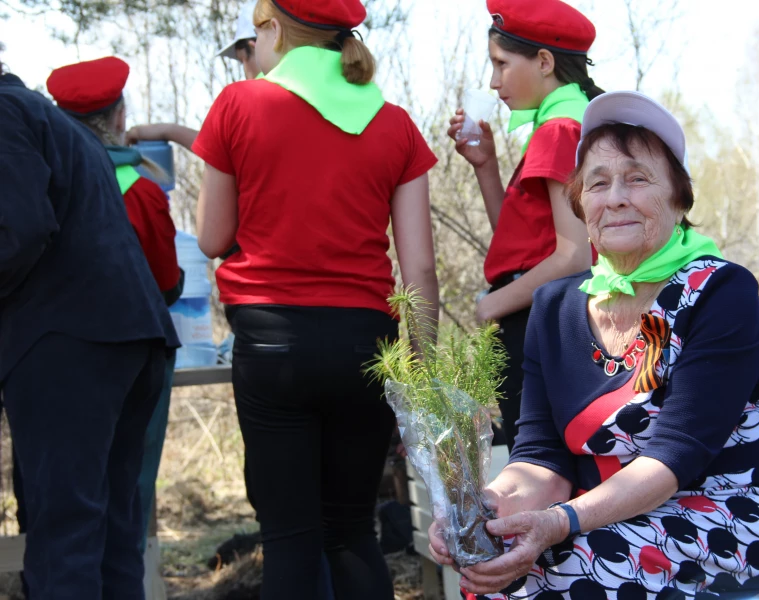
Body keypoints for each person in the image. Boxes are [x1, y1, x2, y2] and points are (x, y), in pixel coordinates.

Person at [428, 91, 759, 598]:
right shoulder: (554, 305)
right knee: (499, 562)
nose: (616, 197)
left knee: (567, 569)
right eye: (598, 183)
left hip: (729, 509)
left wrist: (559, 522)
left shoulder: (721, 292)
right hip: (600, 513)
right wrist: (484, 510)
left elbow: (676, 455)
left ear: (679, 197)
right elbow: (541, 456)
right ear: (580, 204)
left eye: (638, 178)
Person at [191, 0, 440, 597]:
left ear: (274, 29)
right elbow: (420, 268)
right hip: (366, 347)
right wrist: (423, 372)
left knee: (289, 538)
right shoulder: (395, 122)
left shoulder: (238, 105)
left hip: (274, 347)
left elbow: (211, 238)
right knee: (352, 530)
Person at [0, 50, 180, 598]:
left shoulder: (6, 115)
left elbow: (19, 231)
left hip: (70, 348)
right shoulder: (50, 122)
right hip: (132, 341)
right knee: (110, 535)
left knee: (64, 537)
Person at [448, 0, 602, 452]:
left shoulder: (558, 130)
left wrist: (492, 305)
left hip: (542, 319)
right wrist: (486, 167)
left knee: (537, 457)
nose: (494, 82)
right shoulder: (570, 122)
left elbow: (575, 255)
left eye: (501, 64)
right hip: (549, 314)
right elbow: (522, 244)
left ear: (544, 61)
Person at [46, 55, 185, 554]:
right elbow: (167, 284)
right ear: (121, 117)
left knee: (68, 498)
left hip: (57, 354)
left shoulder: (46, 182)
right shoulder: (142, 190)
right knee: (128, 489)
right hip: (136, 352)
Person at [125, 0, 259, 149]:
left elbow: (217, 150)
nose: (246, 72)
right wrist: (169, 130)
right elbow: (220, 148)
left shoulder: (249, 101)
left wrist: (168, 131)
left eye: (243, 60)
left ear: (257, 46)